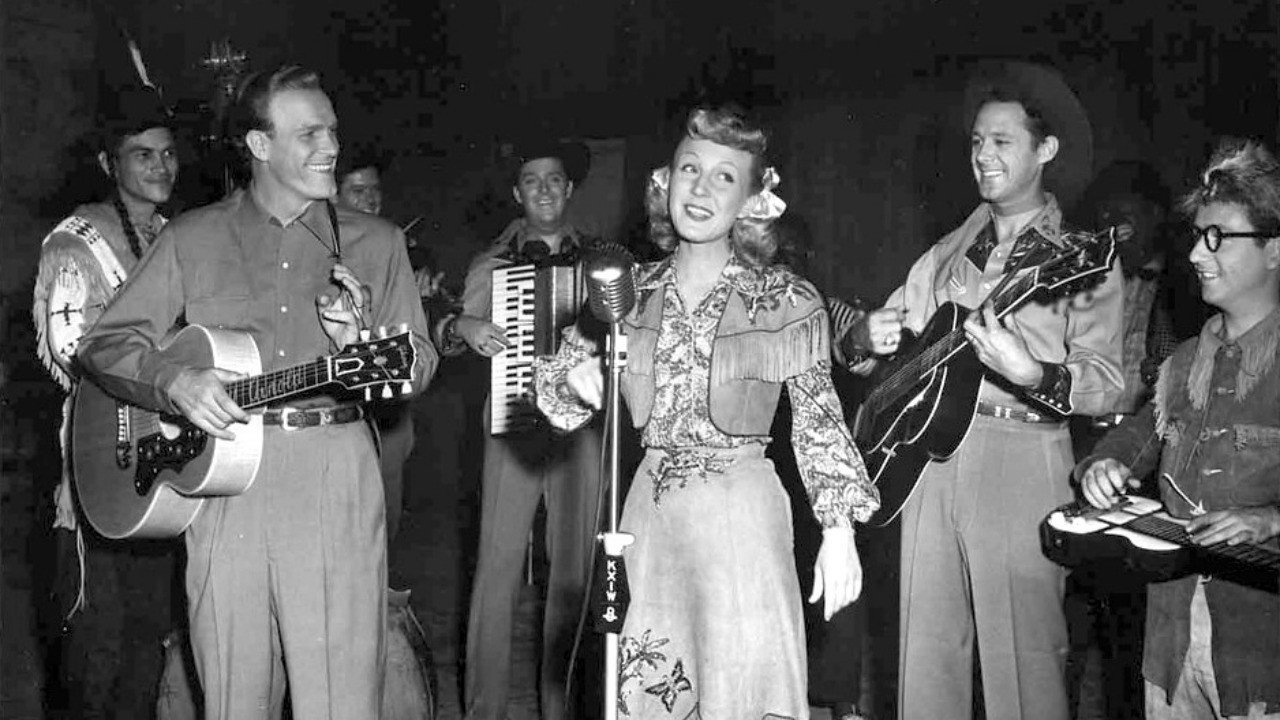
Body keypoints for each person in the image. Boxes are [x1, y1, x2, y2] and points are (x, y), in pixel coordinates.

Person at [77, 65, 436, 720]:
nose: (331, 147)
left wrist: (357, 345)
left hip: (332, 473)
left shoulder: (377, 243)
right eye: (310, 134)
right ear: (259, 145)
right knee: (231, 695)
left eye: (333, 131)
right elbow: (105, 342)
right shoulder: (193, 236)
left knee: (339, 701)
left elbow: (416, 361)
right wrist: (174, 380)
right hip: (220, 481)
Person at [534, 105, 879, 718]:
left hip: (741, 522)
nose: (701, 188)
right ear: (664, 183)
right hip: (648, 521)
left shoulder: (785, 298)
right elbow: (553, 390)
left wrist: (838, 530)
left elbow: (818, 419)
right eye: (690, 169)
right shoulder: (627, 290)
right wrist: (575, 381)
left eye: (725, 177)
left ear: (751, 201)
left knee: (740, 692)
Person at [845, 62, 1124, 720]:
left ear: (1045, 150)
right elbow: (884, 355)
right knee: (923, 659)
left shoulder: (1080, 255)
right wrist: (865, 337)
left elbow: (1110, 384)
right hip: (928, 460)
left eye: (1001, 141)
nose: (982, 155)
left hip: (1022, 456)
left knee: (1024, 665)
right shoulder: (947, 251)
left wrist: (1036, 374)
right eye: (976, 141)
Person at [1078, 138, 1280, 720]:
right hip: (1169, 651)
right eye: (1196, 235)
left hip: (1262, 659)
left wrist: (1271, 518)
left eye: (1217, 236)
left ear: (1273, 249)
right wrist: (1104, 465)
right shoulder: (1186, 360)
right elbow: (1136, 439)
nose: (1195, 253)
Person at [32, 83, 183, 720]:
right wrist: (161, 371)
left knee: (151, 630)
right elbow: (71, 351)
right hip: (104, 452)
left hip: (168, 456)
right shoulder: (76, 242)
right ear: (108, 163)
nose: (161, 166)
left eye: (168, 153)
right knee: (99, 636)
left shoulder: (177, 237)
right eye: (143, 154)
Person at [439, 134, 602, 720]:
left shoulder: (601, 259)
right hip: (512, 420)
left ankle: (564, 706)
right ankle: (483, 709)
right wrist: (464, 327)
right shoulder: (492, 262)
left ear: (570, 188)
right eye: (532, 181)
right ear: (517, 193)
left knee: (575, 570)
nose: (544, 190)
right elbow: (449, 332)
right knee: (497, 563)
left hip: (583, 429)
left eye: (554, 179)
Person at [1064, 160, 1183, 720]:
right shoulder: (1089, 283)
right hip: (1085, 450)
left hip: (1148, 465)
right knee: (1069, 613)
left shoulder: (1188, 291)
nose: (1114, 222)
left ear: (1157, 215)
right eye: (1105, 212)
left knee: (1130, 628)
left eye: (1126, 209)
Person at [335, 150, 413, 543]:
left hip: (387, 410)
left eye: (375, 190)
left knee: (385, 515)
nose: (370, 199)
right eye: (358, 190)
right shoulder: (319, 251)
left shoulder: (390, 246)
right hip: (337, 407)